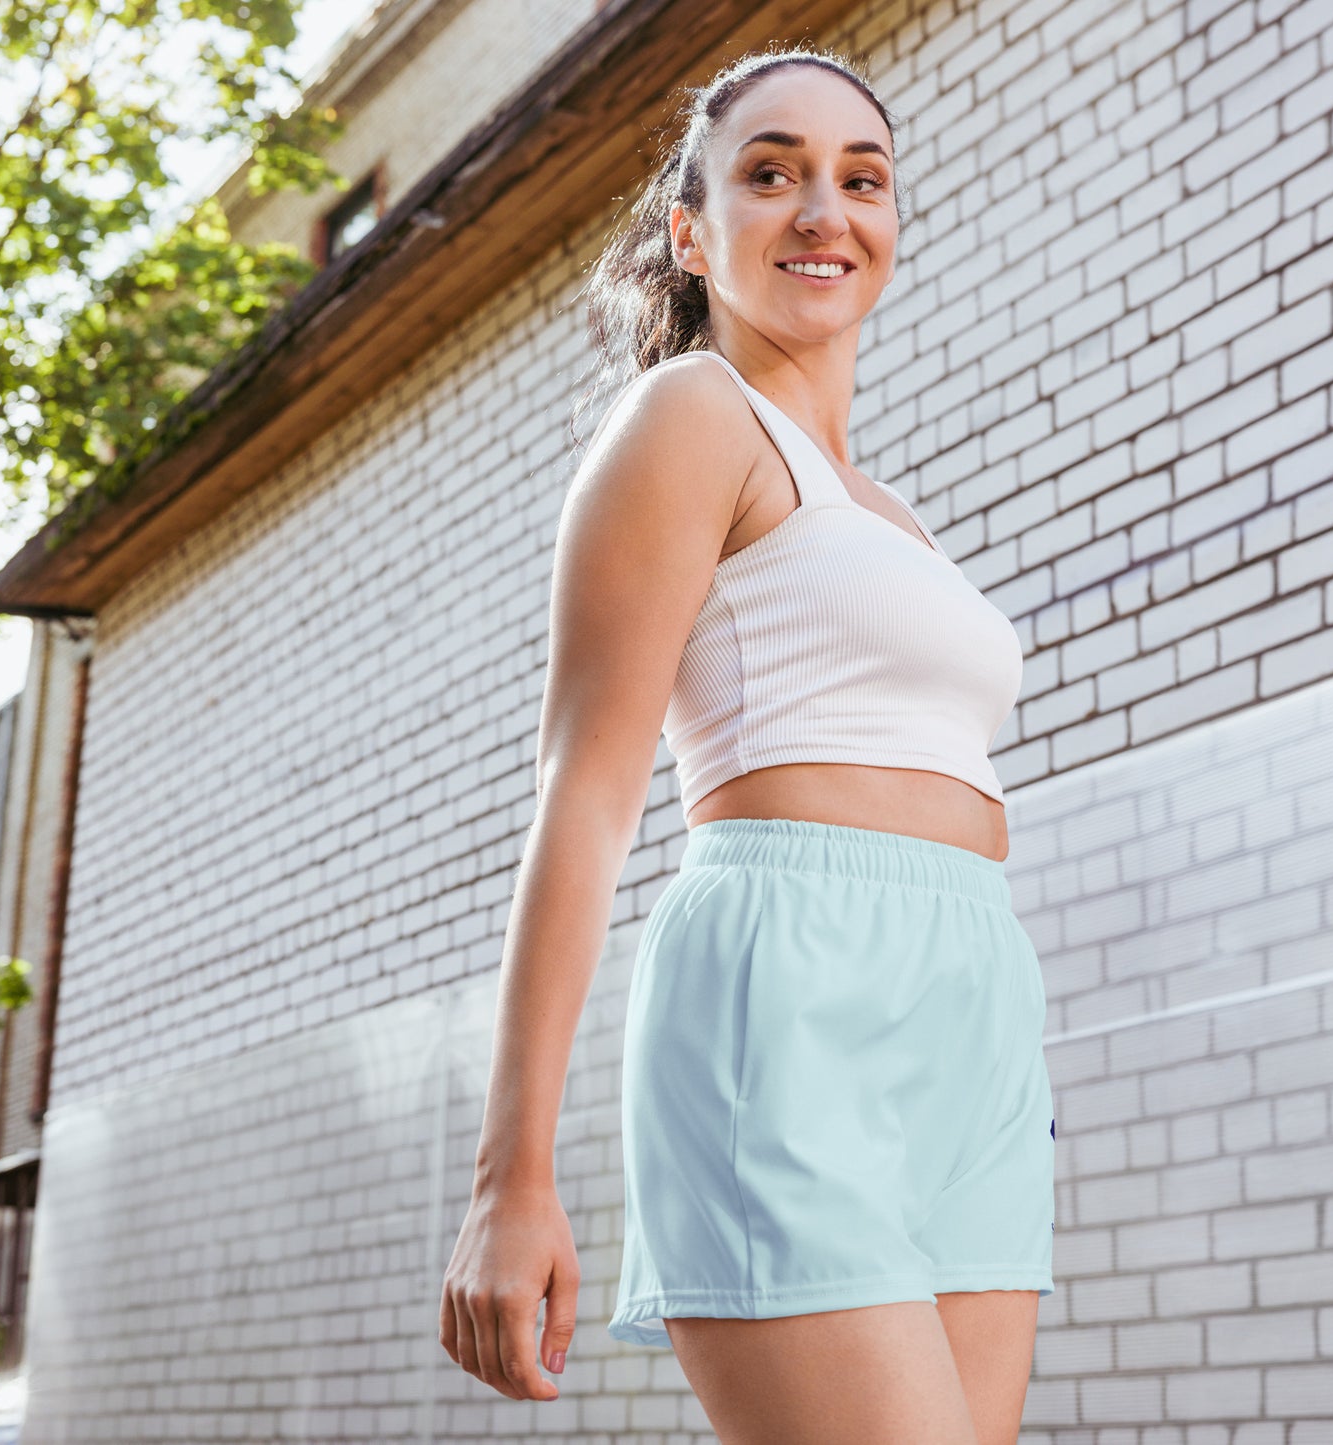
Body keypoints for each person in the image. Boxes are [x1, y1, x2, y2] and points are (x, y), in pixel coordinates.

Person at [438, 43, 1055, 1444]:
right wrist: (508, 1176)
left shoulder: (889, 509)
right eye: (769, 173)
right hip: (788, 984)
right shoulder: (688, 418)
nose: (822, 210)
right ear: (690, 230)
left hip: (970, 1004)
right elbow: (583, 796)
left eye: (861, 178)